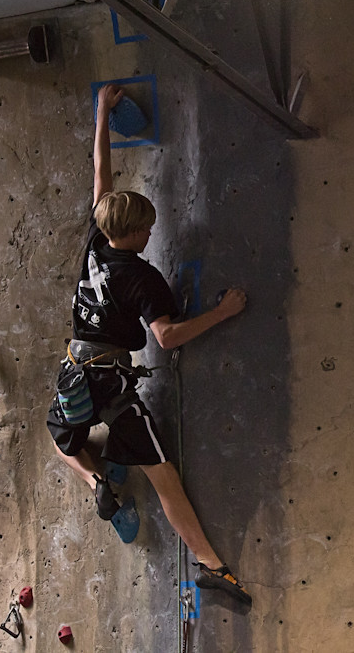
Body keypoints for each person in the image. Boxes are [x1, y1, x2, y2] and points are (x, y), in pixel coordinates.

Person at [46, 83, 251, 605]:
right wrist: (222, 313)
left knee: (59, 438)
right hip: (111, 382)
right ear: (135, 233)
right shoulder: (142, 277)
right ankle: (213, 565)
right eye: (148, 228)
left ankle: (97, 485)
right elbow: (166, 336)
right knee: (164, 478)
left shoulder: (96, 240)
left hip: (75, 368)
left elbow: (101, 180)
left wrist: (101, 115)